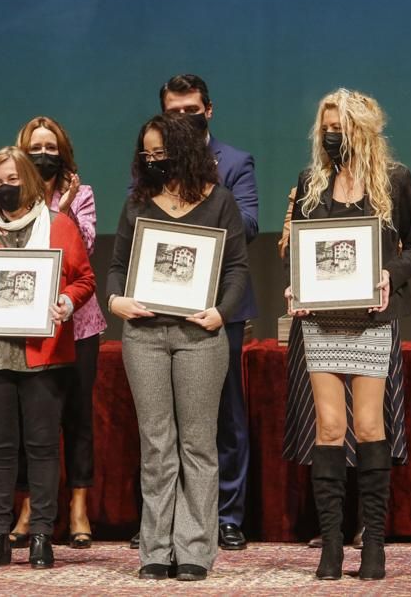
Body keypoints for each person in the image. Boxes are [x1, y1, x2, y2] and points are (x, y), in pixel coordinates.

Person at [284, 89, 411, 580]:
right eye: (326, 125)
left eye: (340, 126)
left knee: (369, 427)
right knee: (328, 428)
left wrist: (389, 273)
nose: (331, 135)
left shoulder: (395, 179)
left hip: (371, 320)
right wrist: (295, 287)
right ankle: (331, 546)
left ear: (363, 130)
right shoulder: (309, 182)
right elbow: (301, 253)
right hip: (322, 321)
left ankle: (374, 545)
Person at [107, 113, 250, 581]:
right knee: (156, 444)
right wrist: (116, 299)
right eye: (146, 154)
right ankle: (155, 548)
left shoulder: (220, 201)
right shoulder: (138, 203)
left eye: (160, 153)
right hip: (144, 336)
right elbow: (118, 265)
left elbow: (235, 269)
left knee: (197, 444)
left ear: (184, 151)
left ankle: (193, 549)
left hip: (200, 336)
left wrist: (221, 313)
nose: (152, 161)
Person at [0, 147, 96, 571]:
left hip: (45, 355)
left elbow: (85, 278)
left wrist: (66, 304)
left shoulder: (59, 226)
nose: (5, 188)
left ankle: (40, 536)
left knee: (41, 447)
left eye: (13, 180)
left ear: (31, 181)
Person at [159, 74, 259, 551]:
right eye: (173, 112)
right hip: (162, 303)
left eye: (191, 110)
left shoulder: (234, 162)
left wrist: (207, 203)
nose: (183, 119)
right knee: (169, 418)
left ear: (209, 110)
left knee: (224, 412)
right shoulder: (154, 164)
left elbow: (253, 223)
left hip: (220, 304)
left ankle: (227, 514)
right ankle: (176, 513)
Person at [6, 117, 107, 550]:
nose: (43, 154)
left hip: (79, 325)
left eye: (51, 147)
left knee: (78, 418)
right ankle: (30, 507)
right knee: (33, 422)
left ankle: (78, 507)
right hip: (29, 327)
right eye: (35, 147)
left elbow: (82, 249)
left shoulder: (81, 195)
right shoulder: (12, 199)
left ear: (62, 153)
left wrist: (62, 205)